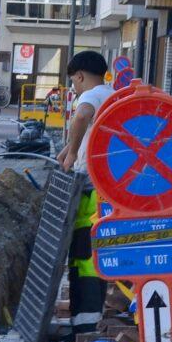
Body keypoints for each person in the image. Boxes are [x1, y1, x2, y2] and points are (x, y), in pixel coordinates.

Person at [58, 50, 114, 322]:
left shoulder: (90, 96)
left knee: (83, 256)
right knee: (96, 256)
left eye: (73, 82)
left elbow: (82, 117)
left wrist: (72, 153)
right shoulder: (113, 95)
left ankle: (84, 324)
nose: (74, 87)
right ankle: (89, 319)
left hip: (91, 190)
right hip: (108, 189)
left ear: (80, 76)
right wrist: (72, 145)